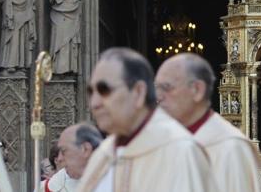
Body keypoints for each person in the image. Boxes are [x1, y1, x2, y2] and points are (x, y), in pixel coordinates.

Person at [77, 47, 217, 192]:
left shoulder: (181, 152)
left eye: (104, 90)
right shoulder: (102, 154)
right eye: (90, 92)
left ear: (138, 92)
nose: (94, 103)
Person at [155, 53, 261, 192]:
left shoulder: (231, 148)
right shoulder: (163, 141)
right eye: (156, 88)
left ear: (197, 90)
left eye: (166, 87)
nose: (159, 97)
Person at [40, 123, 102, 192]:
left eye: (64, 151)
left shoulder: (112, 182)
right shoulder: (45, 188)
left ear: (85, 149)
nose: (60, 158)